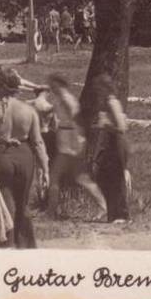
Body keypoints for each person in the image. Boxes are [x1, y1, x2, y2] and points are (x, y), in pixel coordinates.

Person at [0, 67, 50, 248]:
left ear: (3, 86)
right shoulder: (29, 109)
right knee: (23, 202)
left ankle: (7, 244)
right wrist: (45, 168)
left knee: (6, 202)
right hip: (26, 156)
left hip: (3, 155)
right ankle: (26, 244)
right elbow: (38, 142)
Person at [46, 74, 108, 221]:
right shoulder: (61, 100)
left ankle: (51, 212)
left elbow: (77, 122)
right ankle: (102, 206)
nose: (52, 89)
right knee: (80, 178)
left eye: (54, 86)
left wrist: (77, 145)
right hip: (66, 141)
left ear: (61, 85)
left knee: (65, 177)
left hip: (72, 143)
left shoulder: (68, 100)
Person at [87, 74, 132, 223]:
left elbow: (121, 127)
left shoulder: (112, 102)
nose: (97, 92)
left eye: (99, 89)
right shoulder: (106, 103)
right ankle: (113, 213)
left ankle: (122, 214)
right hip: (112, 141)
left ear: (105, 88)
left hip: (118, 141)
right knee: (103, 175)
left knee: (115, 176)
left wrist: (105, 125)